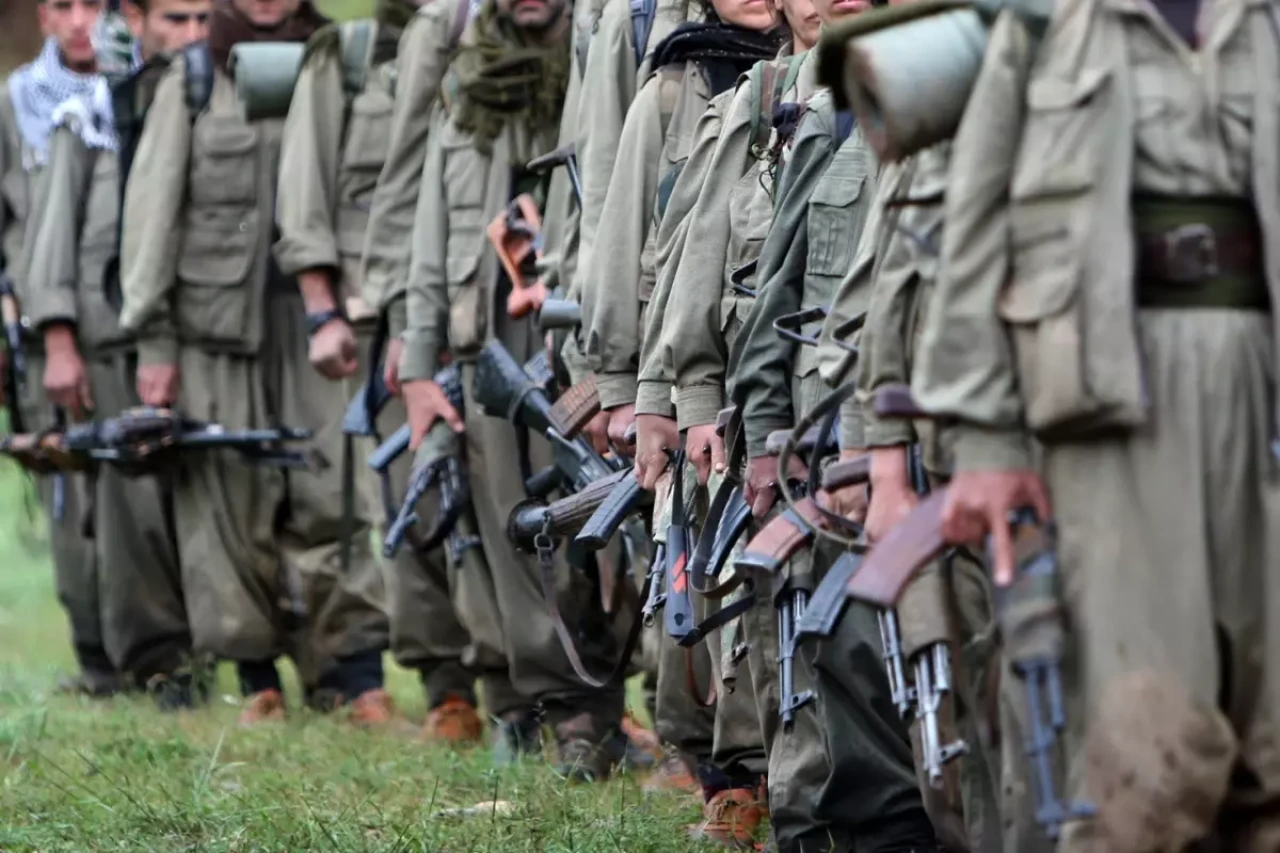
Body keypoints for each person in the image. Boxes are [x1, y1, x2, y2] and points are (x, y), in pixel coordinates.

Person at [913, 0, 1280, 848]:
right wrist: (986, 438)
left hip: (1263, 388)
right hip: (1110, 411)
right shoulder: (1042, 21)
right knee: (1138, 763)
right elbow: (975, 229)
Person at [119, 0, 392, 725]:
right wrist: (155, 340)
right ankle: (254, 677)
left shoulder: (342, 60)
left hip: (322, 320)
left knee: (333, 490)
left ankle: (350, 673)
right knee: (225, 505)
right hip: (217, 327)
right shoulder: (195, 77)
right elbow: (153, 214)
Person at [398, 0, 627, 780]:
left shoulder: (604, 61)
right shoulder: (465, 83)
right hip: (481, 339)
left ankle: (590, 710)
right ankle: (526, 704)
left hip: (571, 329)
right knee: (500, 528)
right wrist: (416, 366)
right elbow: (430, 238)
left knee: (588, 528)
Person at [578, 0, 787, 829]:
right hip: (691, 358)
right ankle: (724, 768)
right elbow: (622, 231)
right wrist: (622, 381)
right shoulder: (673, 86)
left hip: (778, 356)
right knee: (704, 571)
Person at [274, 0, 485, 740]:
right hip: (390, 316)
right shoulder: (350, 54)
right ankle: (447, 689)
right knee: (412, 500)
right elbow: (305, 196)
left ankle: (552, 689)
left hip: (492, 299)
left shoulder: (521, 34)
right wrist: (322, 310)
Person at [22, 0, 211, 711]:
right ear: (140, 20)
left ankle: (193, 652)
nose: (187, 37)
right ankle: (152, 662)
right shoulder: (88, 115)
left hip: (188, 336)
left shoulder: (204, 99)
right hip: (106, 343)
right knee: (128, 511)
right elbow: (50, 237)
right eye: (173, 19)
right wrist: (59, 339)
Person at [7, 0, 113, 697]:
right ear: (43, 17)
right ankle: (96, 653)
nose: (81, 22)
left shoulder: (140, 90)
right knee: (70, 495)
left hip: (126, 319)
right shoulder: (17, 102)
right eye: (64, 6)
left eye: (96, 6)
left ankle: (159, 647)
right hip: (43, 324)